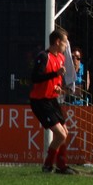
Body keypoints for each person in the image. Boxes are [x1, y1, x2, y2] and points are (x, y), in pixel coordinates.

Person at [30, 27, 76, 174]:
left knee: (65, 132)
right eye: (64, 43)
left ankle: (60, 166)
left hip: (52, 99)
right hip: (40, 101)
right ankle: (49, 165)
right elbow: (35, 78)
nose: (66, 46)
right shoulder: (44, 56)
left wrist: (59, 89)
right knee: (61, 134)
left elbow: (55, 81)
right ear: (57, 42)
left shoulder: (61, 58)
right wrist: (55, 74)